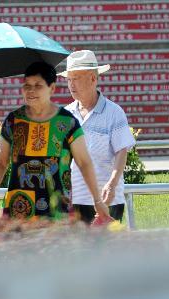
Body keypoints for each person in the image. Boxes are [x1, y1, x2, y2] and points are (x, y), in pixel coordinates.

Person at [0, 62, 111, 223]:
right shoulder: (13, 120)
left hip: (57, 212)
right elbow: (1, 162)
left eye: (38, 86)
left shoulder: (67, 122)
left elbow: (84, 163)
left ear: (52, 88)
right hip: (19, 210)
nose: (31, 91)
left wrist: (97, 201)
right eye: (27, 85)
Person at [61, 50, 136, 224]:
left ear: (93, 79)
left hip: (107, 199)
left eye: (76, 78)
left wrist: (111, 184)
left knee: (105, 249)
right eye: (69, 80)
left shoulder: (114, 112)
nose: (71, 85)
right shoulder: (66, 114)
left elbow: (121, 152)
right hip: (74, 200)